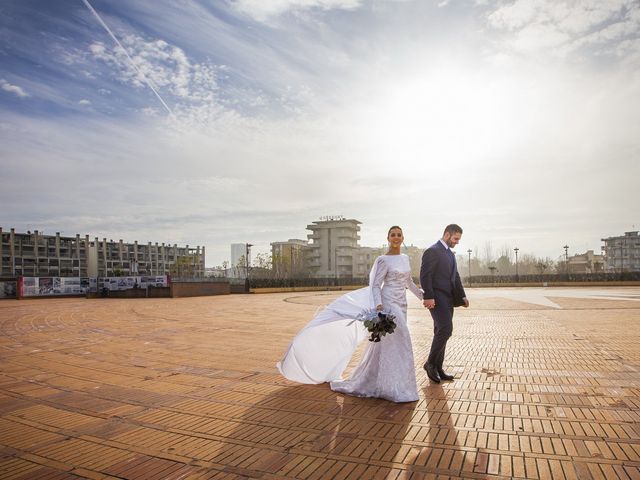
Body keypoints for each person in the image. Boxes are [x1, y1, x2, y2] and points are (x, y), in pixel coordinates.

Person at [277, 226, 423, 402]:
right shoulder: (383, 260)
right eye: (393, 235)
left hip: (402, 304)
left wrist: (423, 296)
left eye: (399, 235)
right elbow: (376, 285)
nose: (396, 237)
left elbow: (409, 282)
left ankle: (389, 384)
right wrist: (379, 306)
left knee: (388, 346)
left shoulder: (405, 258)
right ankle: (396, 388)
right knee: (403, 342)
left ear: (403, 237)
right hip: (388, 304)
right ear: (388, 238)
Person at [420, 224, 469, 383]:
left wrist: (462, 296)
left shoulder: (450, 254)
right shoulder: (432, 251)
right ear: (447, 235)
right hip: (436, 297)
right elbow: (425, 275)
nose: (457, 242)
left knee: (440, 331)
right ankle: (430, 364)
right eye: (455, 238)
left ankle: (438, 368)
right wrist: (428, 296)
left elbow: (455, 276)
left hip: (448, 299)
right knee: (446, 329)